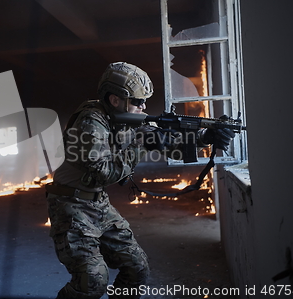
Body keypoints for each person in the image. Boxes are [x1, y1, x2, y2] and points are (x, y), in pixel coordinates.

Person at [46, 62, 233, 299]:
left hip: (98, 203)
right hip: (70, 205)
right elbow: (102, 173)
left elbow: (170, 143)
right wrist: (143, 144)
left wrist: (205, 136)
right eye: (137, 101)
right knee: (92, 279)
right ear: (115, 100)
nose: (143, 106)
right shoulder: (90, 122)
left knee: (137, 268)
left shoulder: (127, 119)